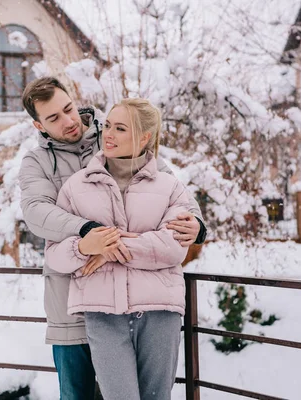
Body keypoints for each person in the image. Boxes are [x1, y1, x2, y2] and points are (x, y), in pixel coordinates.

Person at [19, 78, 206, 400]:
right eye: (54, 118)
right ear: (39, 125)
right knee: (77, 393)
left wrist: (197, 226)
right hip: (73, 297)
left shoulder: (116, 136)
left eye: (68, 109)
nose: (68, 121)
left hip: (144, 299)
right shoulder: (36, 162)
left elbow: (169, 191)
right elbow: (36, 213)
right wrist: (88, 232)